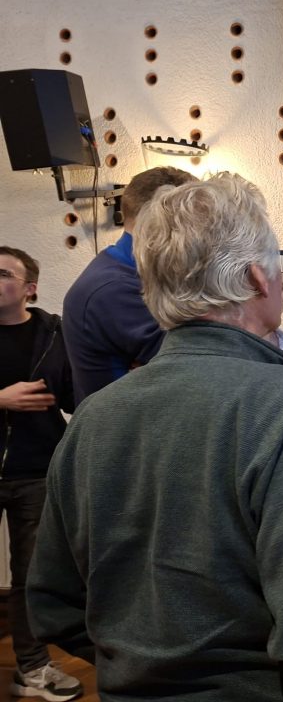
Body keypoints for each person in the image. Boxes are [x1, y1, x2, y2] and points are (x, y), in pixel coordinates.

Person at [26, 174, 283, 701]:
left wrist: (144, 667)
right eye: (280, 263)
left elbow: (54, 607)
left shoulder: (93, 418)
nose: (282, 278)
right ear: (256, 278)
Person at [0, 247, 82, 701]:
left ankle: (32, 669)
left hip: (36, 472)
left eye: (3, 273)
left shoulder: (55, 334)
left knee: (31, 576)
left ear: (29, 288)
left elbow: (72, 396)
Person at [62, 165, 195, 404]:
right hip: (124, 424)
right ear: (165, 216)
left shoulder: (136, 271)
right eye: (197, 216)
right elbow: (199, 363)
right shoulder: (114, 287)